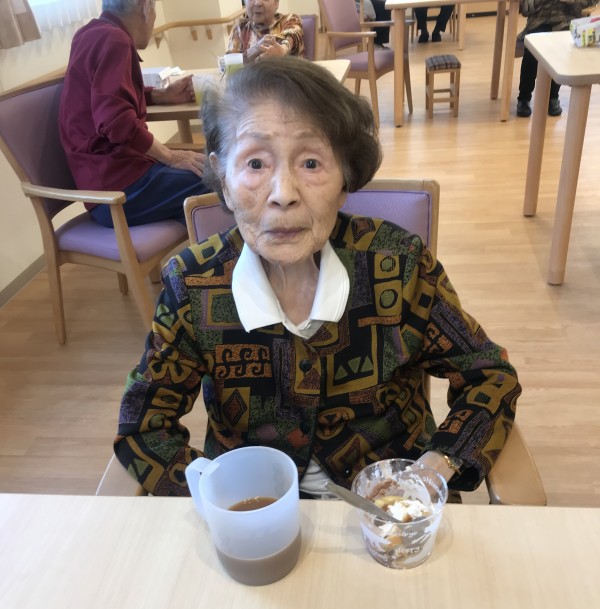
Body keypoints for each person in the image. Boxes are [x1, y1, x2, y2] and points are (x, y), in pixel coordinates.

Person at [114, 57, 521, 497]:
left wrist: (433, 469)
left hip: (392, 513)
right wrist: (220, 495)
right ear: (224, 181)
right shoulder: (192, 285)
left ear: (344, 180)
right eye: (255, 164)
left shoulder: (399, 266)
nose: (283, 195)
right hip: (255, 512)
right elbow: (143, 428)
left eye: (311, 163)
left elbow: (490, 375)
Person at [59, 0, 208, 228]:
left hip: (103, 189)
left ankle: (204, 247)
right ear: (145, 6)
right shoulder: (115, 40)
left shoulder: (89, 33)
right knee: (221, 181)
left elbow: (106, 95)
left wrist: (160, 96)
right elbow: (116, 122)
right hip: (119, 193)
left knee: (206, 188)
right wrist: (171, 156)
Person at [516, 0, 595, 117]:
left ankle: (553, 96)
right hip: (539, 24)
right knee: (532, 50)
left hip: (566, 24)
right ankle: (524, 97)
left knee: (563, 48)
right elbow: (524, 8)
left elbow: (590, 3)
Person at [227, 0, 304, 63]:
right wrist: (253, 51)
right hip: (250, 77)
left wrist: (283, 50)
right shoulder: (240, 28)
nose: (257, 3)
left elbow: (292, 35)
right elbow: (229, 63)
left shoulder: (289, 20)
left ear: (277, 3)